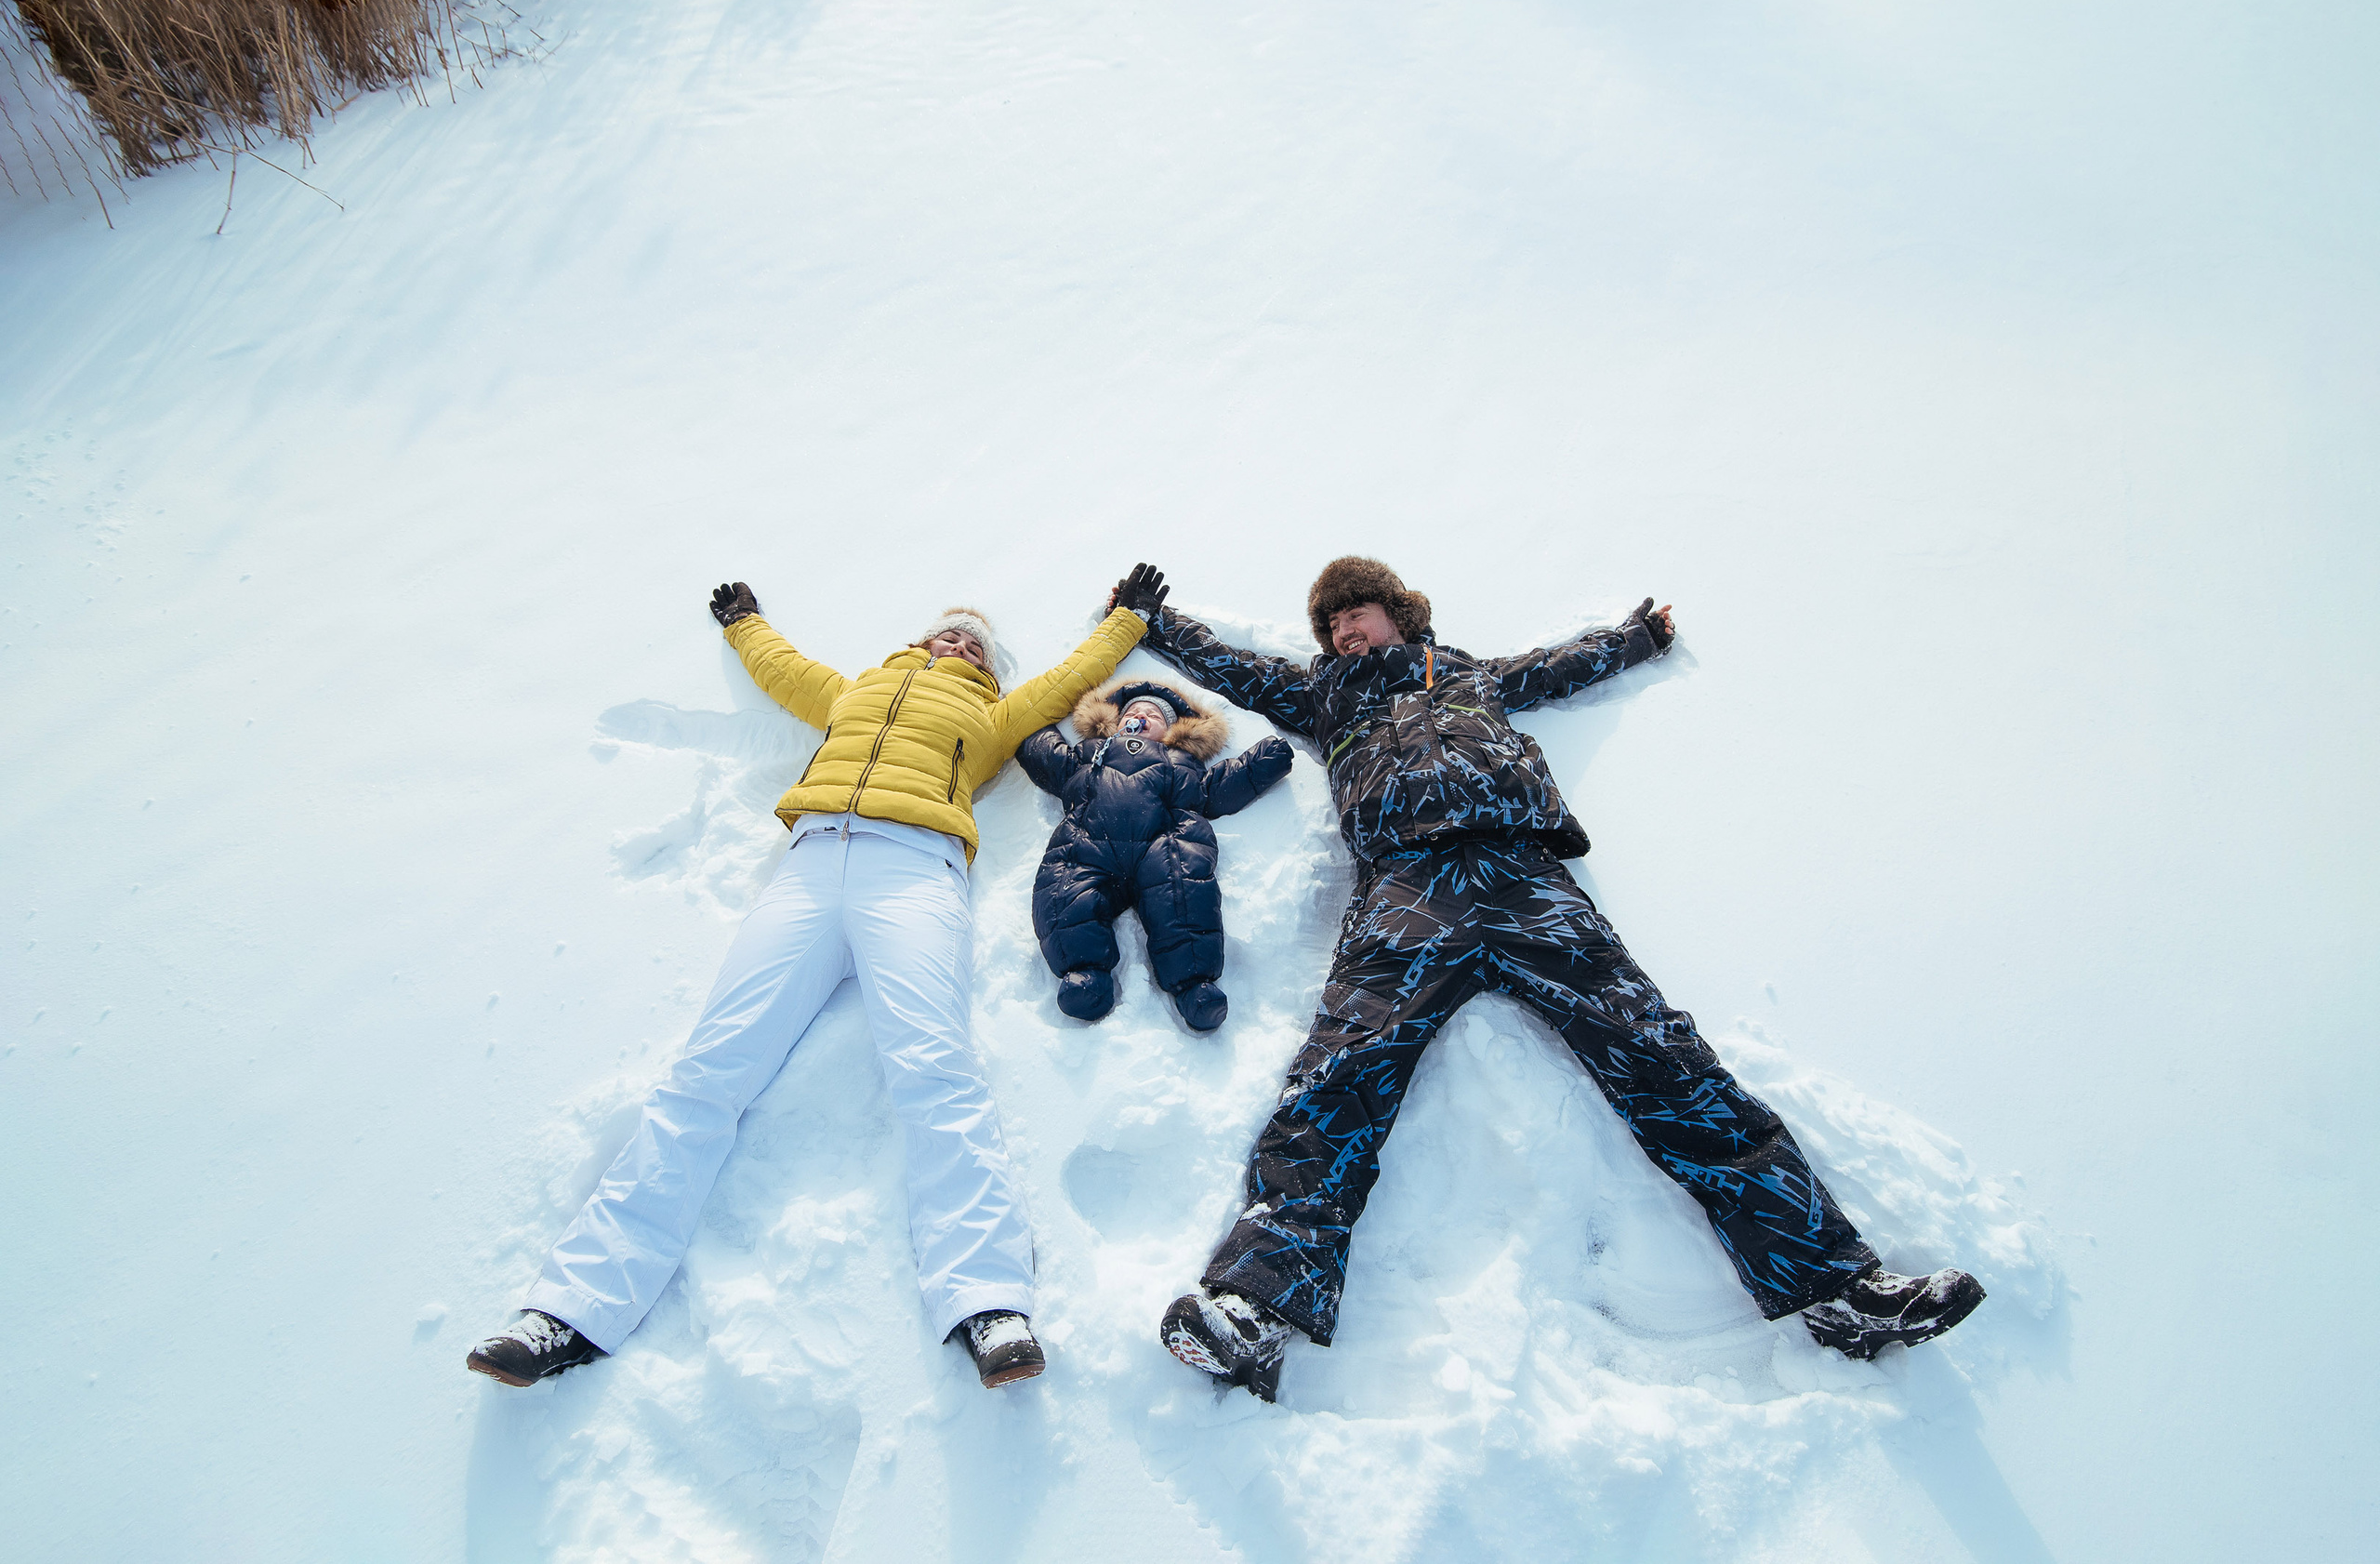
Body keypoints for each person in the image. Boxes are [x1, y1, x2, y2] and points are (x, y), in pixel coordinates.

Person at [1128, 557, 1983, 1400]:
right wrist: (1153, 623)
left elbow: (1558, 666)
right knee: (1345, 1069)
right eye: (1333, 625)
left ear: (1400, 613)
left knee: (1660, 1054)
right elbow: (1232, 668)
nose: (1346, 631)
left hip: (1523, 873)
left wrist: (1637, 638)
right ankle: (1259, 1306)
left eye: (1358, 614)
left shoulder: (1467, 675)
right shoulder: (1321, 693)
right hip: (1407, 887)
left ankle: (1837, 1291)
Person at [468, 566, 1171, 1391]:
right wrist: (744, 626)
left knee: (936, 1070)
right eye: (950, 630)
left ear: (988, 667)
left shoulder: (992, 717)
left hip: (915, 869)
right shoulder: (855, 692)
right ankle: (572, 1306)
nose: (960, 640)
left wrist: (1125, 622)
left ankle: (988, 1300)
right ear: (922, 640)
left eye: (976, 641)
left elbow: (1068, 679)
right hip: (809, 867)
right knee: (709, 1071)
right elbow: (785, 670)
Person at [1016, 678, 1294, 1032]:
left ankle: (1195, 987)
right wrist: (1027, 723)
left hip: (1163, 846)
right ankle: (1084, 973)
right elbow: (1049, 757)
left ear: (1172, 730)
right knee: (1065, 890)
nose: (1141, 717)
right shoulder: (1091, 753)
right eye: (1133, 712)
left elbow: (1219, 787)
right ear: (1114, 721)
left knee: (1184, 895)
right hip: (1089, 843)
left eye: (1153, 715)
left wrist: (1265, 760)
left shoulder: (1181, 762)